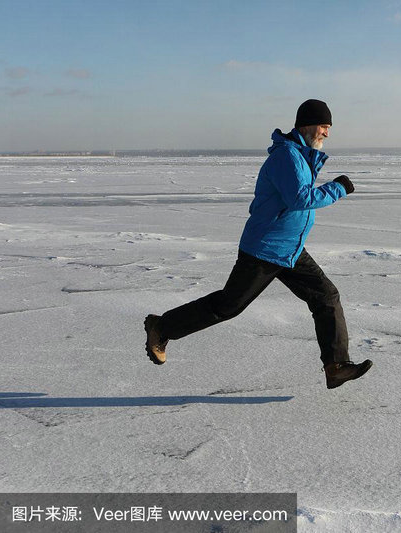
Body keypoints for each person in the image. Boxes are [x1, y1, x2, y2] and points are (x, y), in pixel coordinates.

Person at [144, 99, 372, 389]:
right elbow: (299, 199)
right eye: (324, 126)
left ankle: (336, 365)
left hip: (288, 249)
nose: (327, 133)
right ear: (308, 124)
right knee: (229, 305)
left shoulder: (300, 156)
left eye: (329, 127)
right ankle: (161, 327)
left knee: (326, 297)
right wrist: (338, 188)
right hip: (265, 249)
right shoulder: (287, 157)